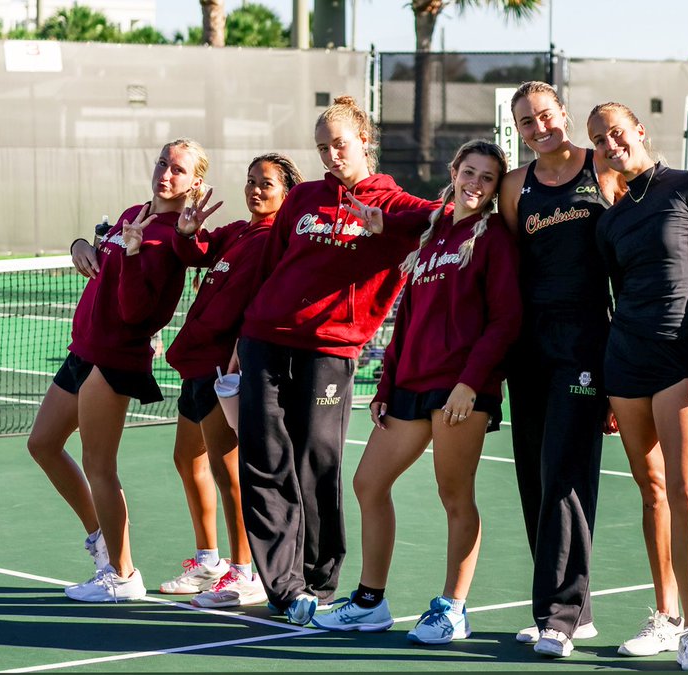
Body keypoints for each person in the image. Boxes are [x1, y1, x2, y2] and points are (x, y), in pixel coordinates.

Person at [311, 140, 521, 644]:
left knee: (454, 496)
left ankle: (452, 608)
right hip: (409, 385)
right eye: (469, 171)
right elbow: (406, 317)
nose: (475, 183)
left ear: (496, 188)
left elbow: (506, 319)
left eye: (487, 178)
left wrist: (471, 384)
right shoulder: (432, 234)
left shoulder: (493, 237)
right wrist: (386, 384)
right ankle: (369, 602)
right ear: (453, 171)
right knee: (368, 483)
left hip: (460, 391)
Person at [236, 95, 437, 625]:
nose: (331, 155)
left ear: (364, 142)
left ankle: (320, 581)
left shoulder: (394, 205)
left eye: (339, 144)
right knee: (264, 461)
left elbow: (452, 215)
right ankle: (284, 586)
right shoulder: (302, 198)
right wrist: (241, 338)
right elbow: (271, 269)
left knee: (317, 462)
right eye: (323, 147)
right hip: (264, 340)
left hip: (330, 352)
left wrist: (387, 227)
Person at [28, 138, 214, 602]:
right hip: (84, 348)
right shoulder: (134, 213)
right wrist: (80, 247)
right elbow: (100, 253)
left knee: (99, 466)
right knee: (43, 444)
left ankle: (123, 574)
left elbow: (136, 314)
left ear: (195, 183)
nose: (165, 174)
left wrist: (131, 254)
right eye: (162, 163)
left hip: (116, 356)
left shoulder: (174, 236)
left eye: (178, 170)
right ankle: (101, 542)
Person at [588, 102, 688, 672]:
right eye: (599, 138)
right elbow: (613, 298)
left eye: (616, 132)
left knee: (685, 491)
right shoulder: (610, 221)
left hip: (682, 361)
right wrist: (605, 384)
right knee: (650, 492)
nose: (609, 143)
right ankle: (665, 617)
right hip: (624, 365)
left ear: (639, 131)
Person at [497, 81, 624, 658]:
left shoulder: (602, 169)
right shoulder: (514, 187)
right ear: (518, 130)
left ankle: (560, 615)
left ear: (563, 115)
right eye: (526, 122)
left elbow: (632, 255)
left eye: (545, 116)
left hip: (585, 346)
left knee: (567, 473)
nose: (538, 127)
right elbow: (502, 268)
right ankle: (577, 608)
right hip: (528, 348)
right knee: (535, 478)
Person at [156, 153, 305, 609]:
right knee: (187, 459)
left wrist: (242, 355)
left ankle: (246, 574)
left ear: (287, 194)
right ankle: (210, 562)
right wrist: (187, 230)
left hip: (225, 368)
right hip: (195, 361)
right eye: (250, 181)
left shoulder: (280, 241)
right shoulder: (239, 231)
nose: (255, 190)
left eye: (266, 184)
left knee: (230, 472)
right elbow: (195, 251)